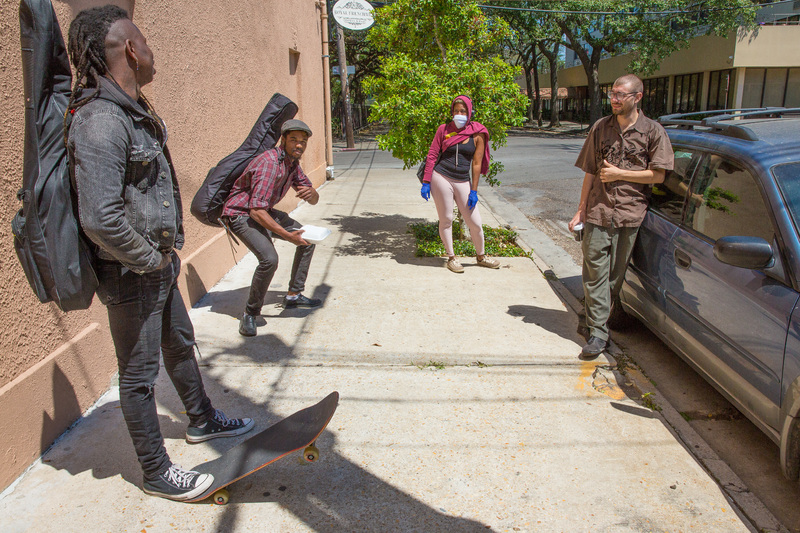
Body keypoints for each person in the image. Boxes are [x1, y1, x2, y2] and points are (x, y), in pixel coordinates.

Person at [66, 6, 254, 501]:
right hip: (131, 271)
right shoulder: (101, 119)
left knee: (179, 341)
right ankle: (156, 472)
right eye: (146, 42)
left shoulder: (132, 109)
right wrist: (151, 260)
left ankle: (201, 420)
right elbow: (100, 217)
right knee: (138, 374)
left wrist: (165, 258)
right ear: (130, 48)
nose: (152, 51)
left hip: (156, 263)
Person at [568, 74, 673, 359]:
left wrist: (619, 174)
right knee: (593, 272)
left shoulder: (653, 132)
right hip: (599, 210)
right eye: (611, 93)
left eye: (620, 94)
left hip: (631, 213)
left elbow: (659, 175)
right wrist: (581, 209)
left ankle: (591, 317)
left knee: (614, 277)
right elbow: (591, 170)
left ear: (637, 97)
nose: (614, 99)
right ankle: (599, 333)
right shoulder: (601, 128)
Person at [221, 119, 321, 337]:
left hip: (261, 209)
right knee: (269, 260)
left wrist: (313, 194)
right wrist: (286, 235)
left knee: (308, 239)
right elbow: (255, 211)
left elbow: (312, 196)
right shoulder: (269, 163)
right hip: (240, 214)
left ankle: (293, 296)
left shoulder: (292, 163)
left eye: (303, 142)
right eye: (293, 140)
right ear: (283, 140)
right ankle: (250, 313)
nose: (299, 145)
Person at [420, 95, 500, 273]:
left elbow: (477, 163)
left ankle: (481, 256)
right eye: (456, 111)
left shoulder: (477, 133)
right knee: (446, 219)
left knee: (475, 222)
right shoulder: (444, 129)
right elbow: (432, 154)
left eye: (463, 111)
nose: (459, 114)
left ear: (469, 112)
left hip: (463, 180)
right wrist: (426, 181)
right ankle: (451, 258)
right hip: (441, 177)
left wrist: (474, 190)